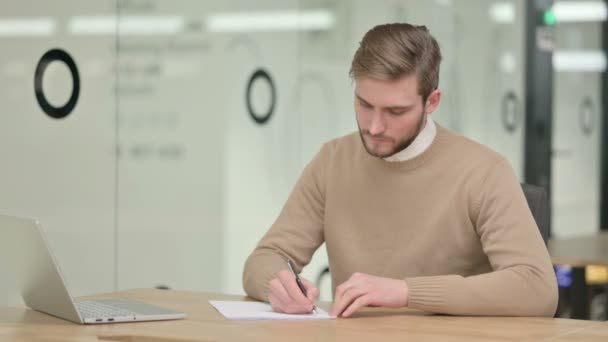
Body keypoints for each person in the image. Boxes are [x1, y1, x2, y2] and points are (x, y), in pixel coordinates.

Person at [242, 23, 558, 318]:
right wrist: (276, 284)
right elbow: (264, 259)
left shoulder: (484, 172)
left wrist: (406, 291)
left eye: (395, 111)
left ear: (432, 102)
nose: (375, 126)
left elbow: (536, 288)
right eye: (364, 105)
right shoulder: (333, 161)